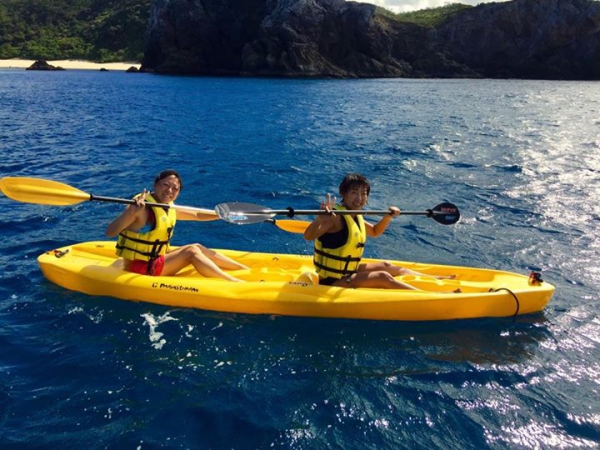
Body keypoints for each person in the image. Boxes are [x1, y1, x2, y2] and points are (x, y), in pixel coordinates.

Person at [303, 173, 456, 289]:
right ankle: (431, 295)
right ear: (344, 194)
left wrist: (388, 217)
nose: (359, 198)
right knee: (383, 276)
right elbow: (308, 236)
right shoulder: (335, 217)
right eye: (354, 192)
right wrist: (320, 219)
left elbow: (375, 231)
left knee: (386, 265)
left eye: (363, 193)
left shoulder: (355, 215)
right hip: (332, 280)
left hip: (347, 271)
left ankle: (435, 278)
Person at [106, 169, 247, 281]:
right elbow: (110, 232)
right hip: (141, 268)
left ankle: (244, 269)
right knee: (191, 251)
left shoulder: (166, 206)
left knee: (197, 246)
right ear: (155, 185)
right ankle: (232, 282)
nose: (170, 191)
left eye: (175, 188)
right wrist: (131, 212)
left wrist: (221, 215)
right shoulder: (141, 208)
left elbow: (197, 215)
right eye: (165, 185)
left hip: (154, 260)